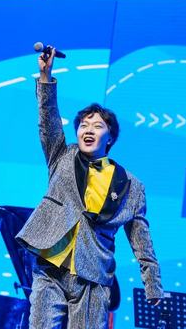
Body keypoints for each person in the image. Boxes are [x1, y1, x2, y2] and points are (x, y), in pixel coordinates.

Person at [16, 47, 163, 329]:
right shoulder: (62, 156)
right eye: (83, 125)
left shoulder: (131, 186)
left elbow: (141, 239)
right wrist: (45, 76)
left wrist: (152, 283)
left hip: (93, 277)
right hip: (50, 269)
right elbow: (47, 121)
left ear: (110, 137)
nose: (88, 130)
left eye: (97, 126)